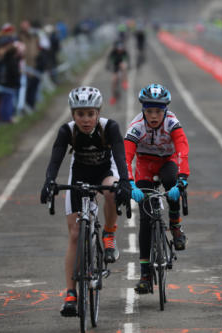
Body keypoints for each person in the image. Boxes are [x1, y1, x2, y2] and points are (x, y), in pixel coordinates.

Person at [40, 86, 131, 316]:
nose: (86, 119)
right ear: (73, 115)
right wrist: (49, 182)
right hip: (79, 174)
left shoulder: (109, 128)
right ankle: (71, 294)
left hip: (105, 171)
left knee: (111, 191)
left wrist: (126, 183)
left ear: (98, 113)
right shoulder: (67, 131)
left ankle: (109, 234)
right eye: (81, 114)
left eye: (90, 114)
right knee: (74, 234)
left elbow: (120, 158)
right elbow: (56, 160)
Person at [124, 84, 189, 294]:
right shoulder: (136, 127)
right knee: (144, 216)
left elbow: (182, 150)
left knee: (171, 181)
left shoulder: (172, 123)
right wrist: (130, 183)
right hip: (144, 165)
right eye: (149, 111)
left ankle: (175, 225)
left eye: (158, 111)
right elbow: (125, 157)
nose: (153, 116)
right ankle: (145, 274)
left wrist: (182, 178)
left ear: (165, 111)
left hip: (167, 162)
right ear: (143, 109)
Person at [106, 41, 129, 105]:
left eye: (121, 49)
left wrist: (127, 64)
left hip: (122, 65)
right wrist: (108, 66)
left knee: (124, 67)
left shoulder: (124, 52)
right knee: (113, 81)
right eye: (118, 49)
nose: (120, 51)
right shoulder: (113, 53)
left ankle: (124, 82)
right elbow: (109, 60)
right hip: (115, 67)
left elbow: (127, 59)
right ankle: (113, 97)